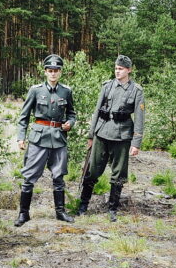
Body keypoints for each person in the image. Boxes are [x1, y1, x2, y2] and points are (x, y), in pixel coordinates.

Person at [78, 55, 145, 222]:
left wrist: (136, 143)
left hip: (122, 136)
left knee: (118, 174)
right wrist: (91, 135)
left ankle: (113, 209)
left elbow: (139, 118)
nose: (117, 71)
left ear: (129, 70)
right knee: (92, 170)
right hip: (102, 133)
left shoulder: (136, 91)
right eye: (116, 68)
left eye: (121, 69)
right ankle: (83, 204)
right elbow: (97, 111)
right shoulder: (107, 86)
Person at [14, 54, 76, 227]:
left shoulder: (66, 91)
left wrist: (70, 123)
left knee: (59, 176)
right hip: (38, 138)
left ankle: (60, 212)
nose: (53, 74)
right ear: (45, 72)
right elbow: (23, 116)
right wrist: (21, 137)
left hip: (58, 138)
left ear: (60, 72)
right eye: (50, 70)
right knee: (29, 176)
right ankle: (23, 214)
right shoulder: (36, 90)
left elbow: (71, 113)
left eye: (56, 71)